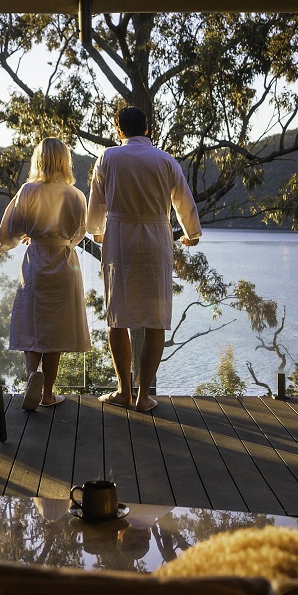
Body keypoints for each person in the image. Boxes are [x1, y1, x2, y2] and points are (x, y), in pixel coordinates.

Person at [86, 106, 201, 413]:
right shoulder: (165, 160)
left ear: (118, 129)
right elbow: (183, 200)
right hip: (155, 239)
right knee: (155, 319)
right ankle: (143, 396)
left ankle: (124, 390)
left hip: (120, 239)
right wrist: (192, 232)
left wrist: (96, 230)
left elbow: (96, 200)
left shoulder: (108, 158)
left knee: (117, 316)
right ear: (147, 127)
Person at [0, 137, 91, 411]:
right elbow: (79, 234)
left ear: (38, 160)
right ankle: (47, 393)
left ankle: (32, 379)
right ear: (65, 161)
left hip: (35, 265)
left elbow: (9, 231)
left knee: (33, 326)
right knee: (55, 332)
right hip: (65, 266)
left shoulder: (28, 191)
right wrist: (60, 240)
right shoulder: (76, 195)